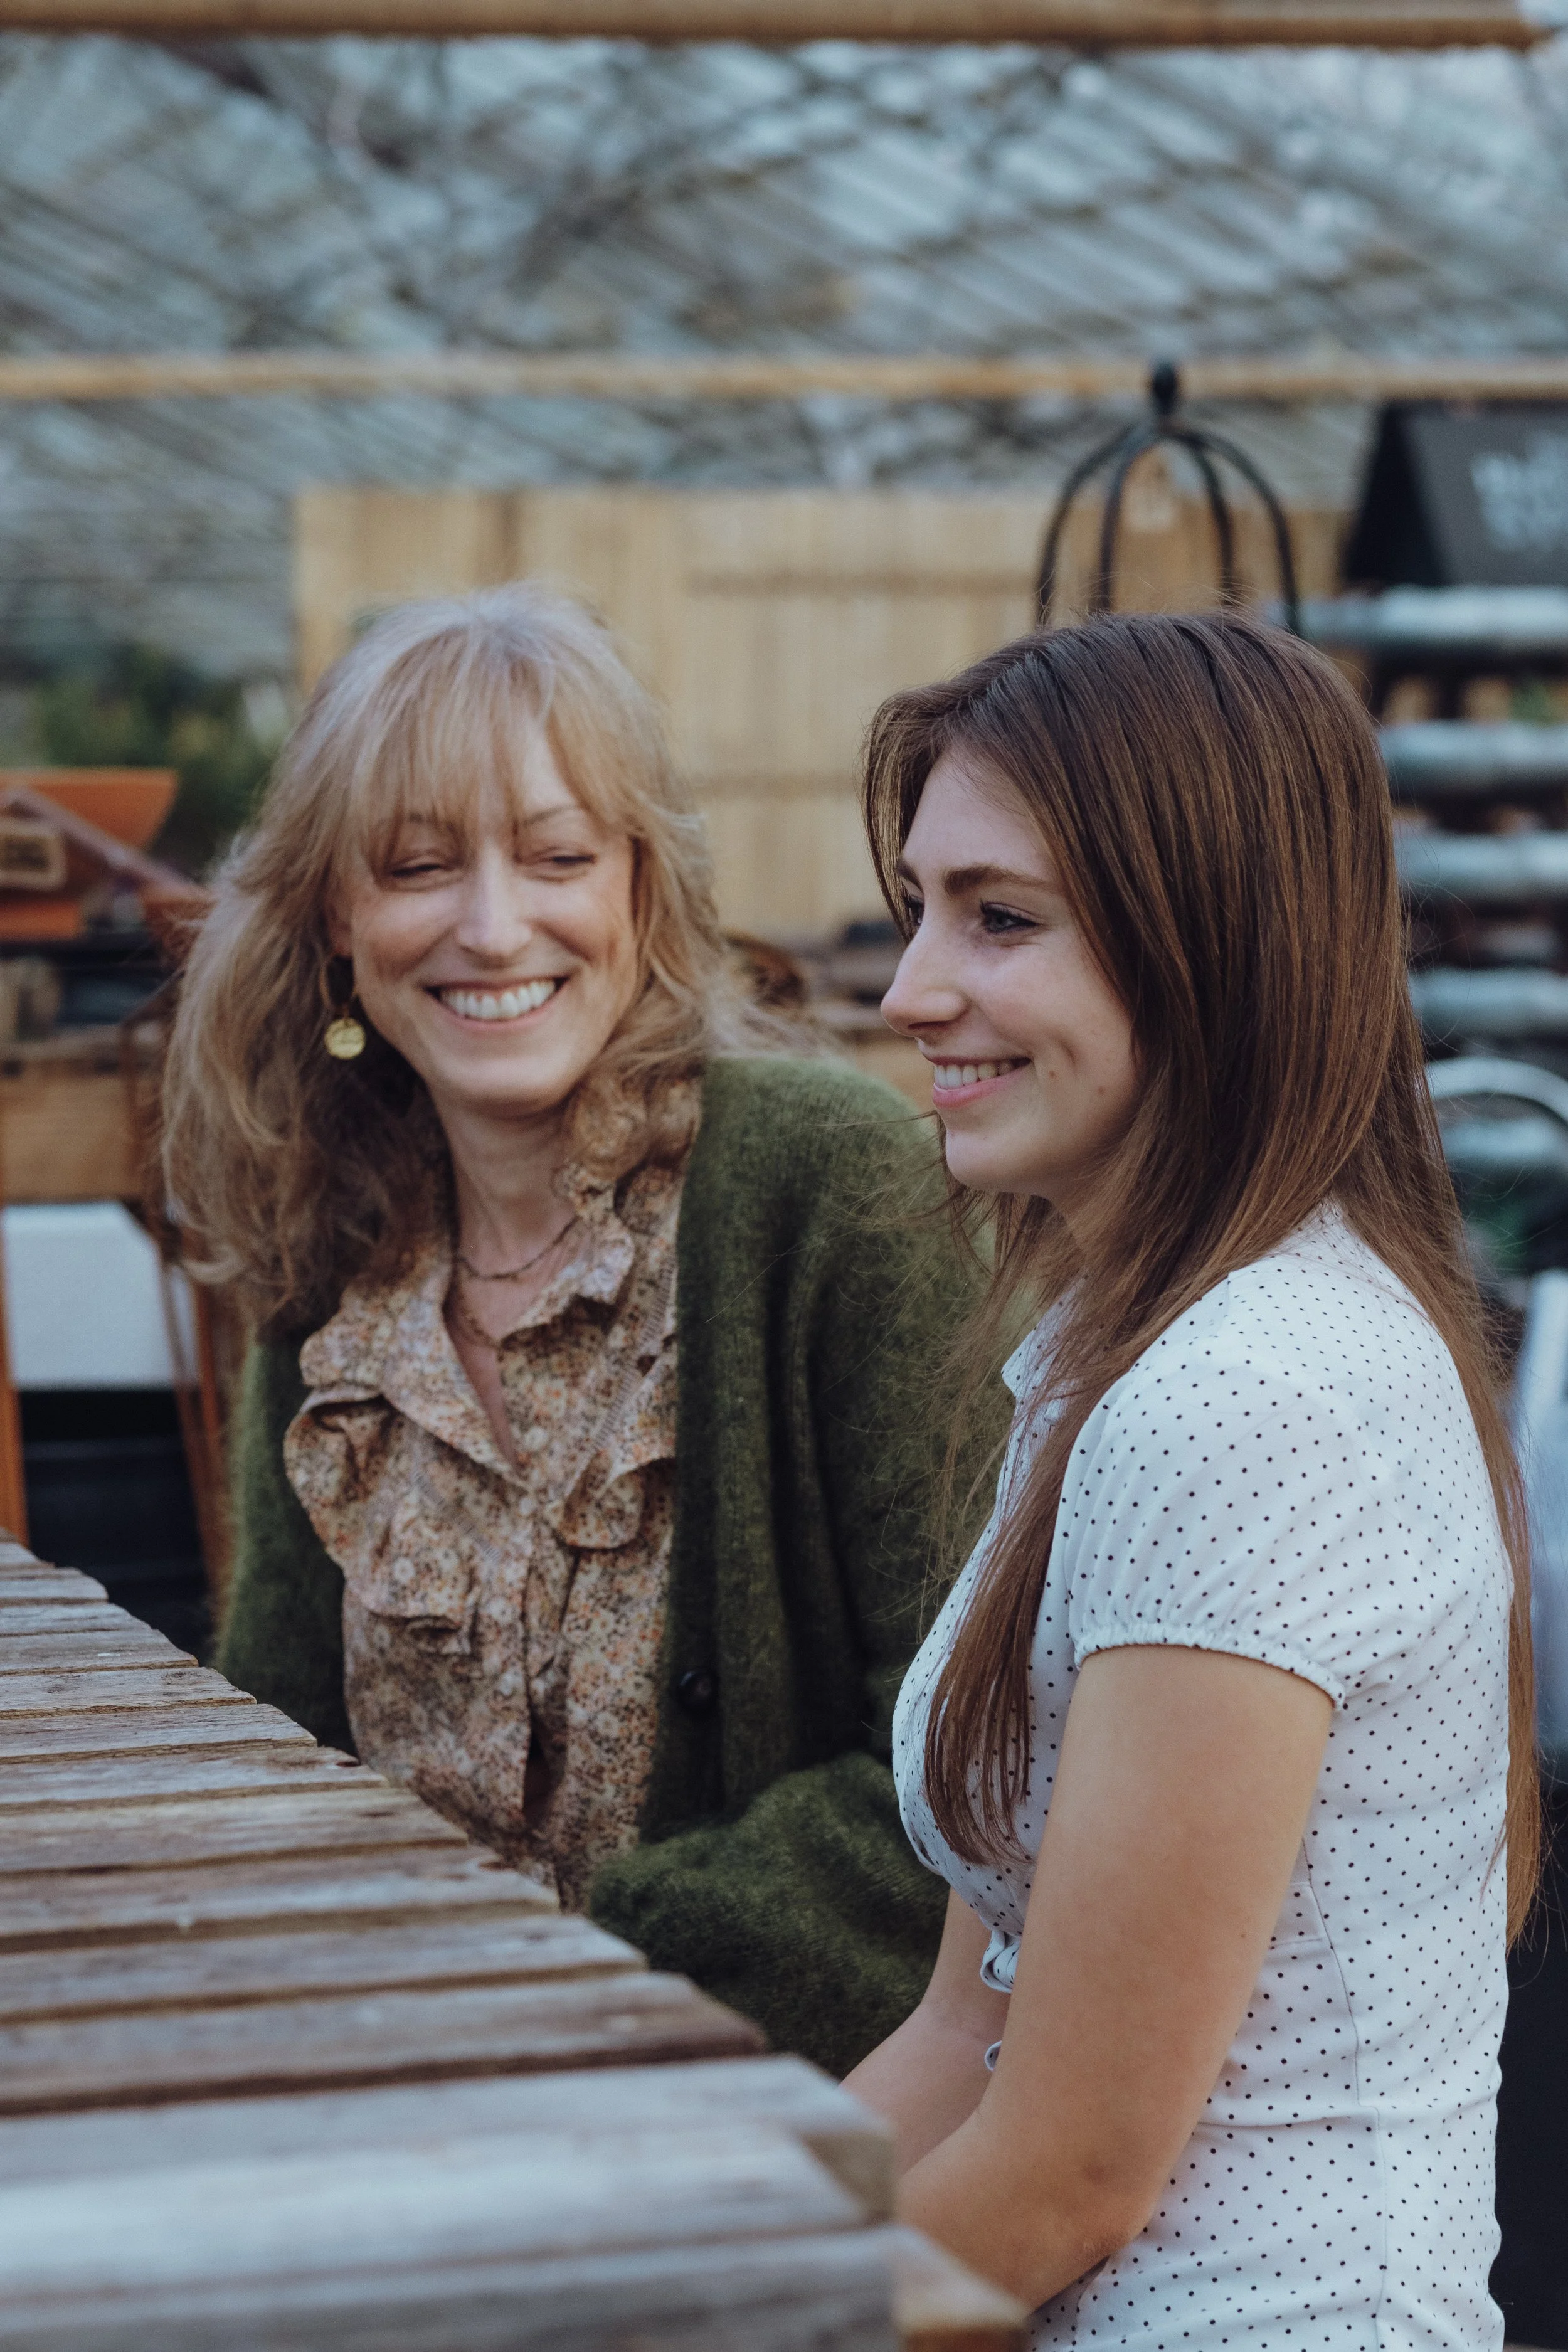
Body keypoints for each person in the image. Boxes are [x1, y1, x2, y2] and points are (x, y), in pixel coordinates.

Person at [162, 582, 1002, 2076]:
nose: (494, 928)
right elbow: (280, 1764)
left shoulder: (831, 1193)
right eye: (420, 866)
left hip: (790, 2129)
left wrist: (580, 1987)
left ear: (636, 891)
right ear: (337, 925)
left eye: (556, 856)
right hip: (397, 2109)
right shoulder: (328, 1265)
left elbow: (973, 1771)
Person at [842, 611, 1538, 2347]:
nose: (909, 987)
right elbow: (959, 2031)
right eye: (918, 904)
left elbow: (1069, 2169)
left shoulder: (1248, 1396)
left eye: (998, 918)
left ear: (1210, 944)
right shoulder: (1119, 1349)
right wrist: (652, 2245)